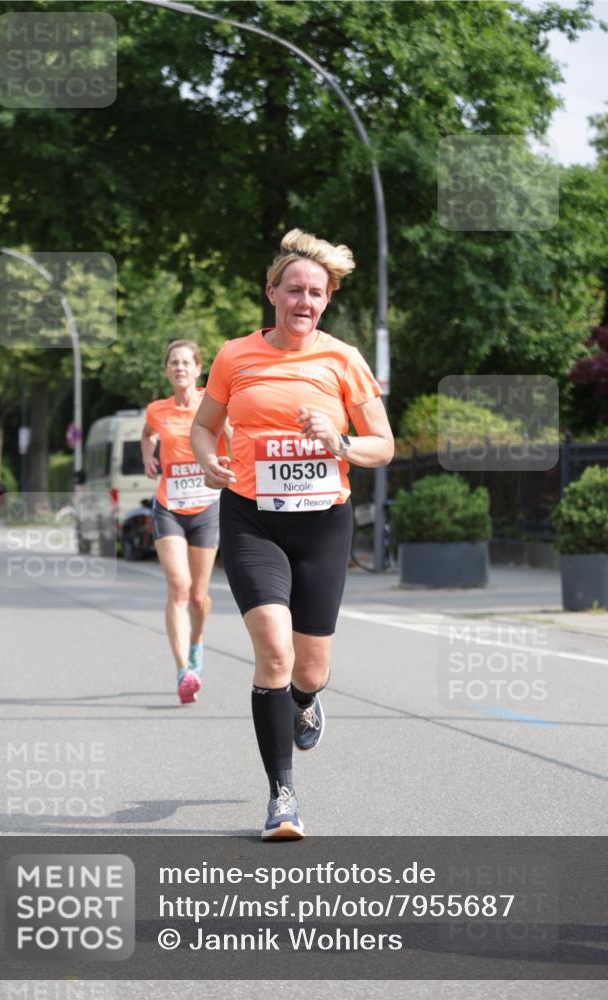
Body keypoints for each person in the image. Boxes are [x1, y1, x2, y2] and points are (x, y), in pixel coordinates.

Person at [191, 229, 394, 839]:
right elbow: (205, 427)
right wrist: (206, 459)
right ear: (272, 292)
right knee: (273, 651)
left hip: (324, 525)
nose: (303, 301)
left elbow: (382, 446)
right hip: (253, 518)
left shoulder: (343, 360)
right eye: (293, 290)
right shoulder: (235, 356)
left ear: (326, 300)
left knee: (308, 668)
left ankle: (306, 699)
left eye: (316, 293)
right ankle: (282, 796)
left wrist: (339, 443)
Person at [141, 340, 228, 705]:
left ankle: (196, 644)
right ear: (167, 370)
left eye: (186, 363)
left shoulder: (215, 403)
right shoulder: (156, 410)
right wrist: (148, 457)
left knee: (198, 595)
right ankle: (183, 672)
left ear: (198, 369)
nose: (179, 368)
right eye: (173, 363)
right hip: (170, 505)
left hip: (207, 508)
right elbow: (147, 434)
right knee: (178, 587)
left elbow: (234, 437)